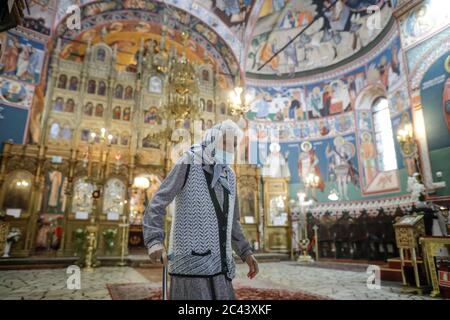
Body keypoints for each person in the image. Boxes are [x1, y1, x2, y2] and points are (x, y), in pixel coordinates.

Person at [143, 120, 259, 300]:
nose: (231, 149)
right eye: (226, 142)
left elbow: (232, 221)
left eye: (234, 145)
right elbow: (158, 201)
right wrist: (154, 241)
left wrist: (245, 252)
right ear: (212, 140)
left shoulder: (230, 175)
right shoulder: (189, 161)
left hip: (221, 265)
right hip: (191, 264)